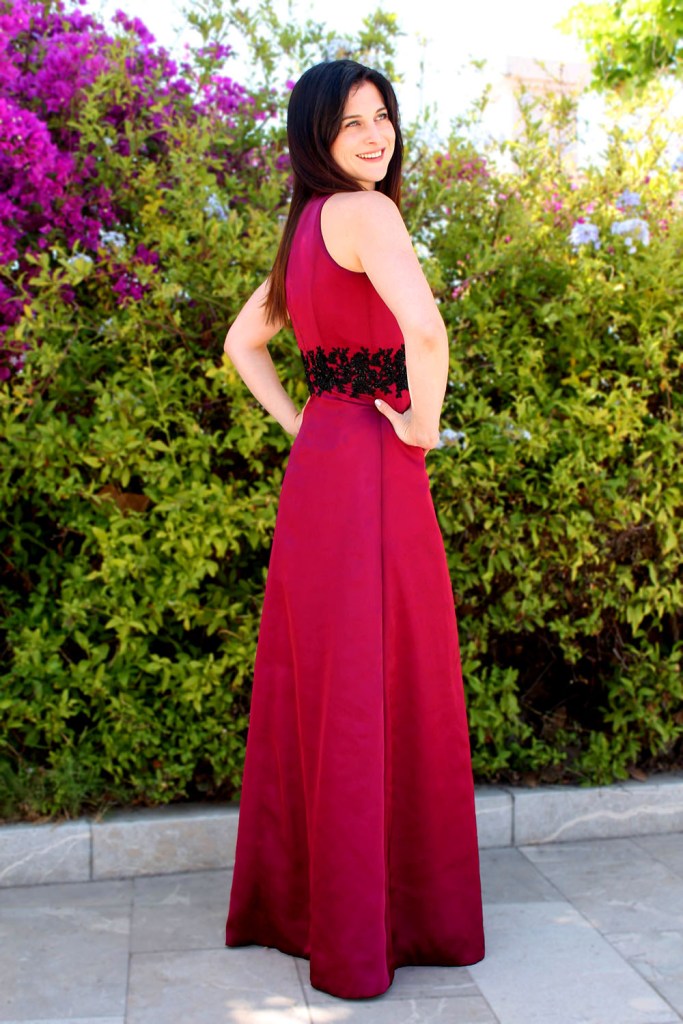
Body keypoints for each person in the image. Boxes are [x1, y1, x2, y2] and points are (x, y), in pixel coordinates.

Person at [224, 58, 485, 1000]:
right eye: (351, 124)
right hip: (375, 458)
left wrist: (302, 421)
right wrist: (421, 426)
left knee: (328, 679)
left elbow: (242, 344)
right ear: (316, 137)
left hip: (323, 465)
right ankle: (387, 922)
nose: (375, 137)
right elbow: (427, 332)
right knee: (391, 671)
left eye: (382, 117)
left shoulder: (303, 227)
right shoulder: (367, 214)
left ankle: (317, 915)